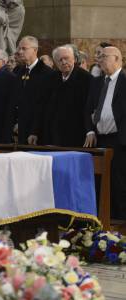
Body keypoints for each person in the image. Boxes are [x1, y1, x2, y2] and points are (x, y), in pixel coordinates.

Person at [84, 46, 126, 220]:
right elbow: (87, 109)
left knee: (119, 182)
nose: (99, 59)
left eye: (103, 56)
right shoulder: (96, 81)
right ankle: (103, 218)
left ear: (116, 58)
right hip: (99, 139)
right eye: (98, 56)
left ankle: (121, 221)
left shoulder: (124, 80)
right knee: (101, 181)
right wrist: (90, 130)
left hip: (120, 139)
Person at [43, 45, 92, 147]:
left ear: (74, 59)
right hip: (55, 134)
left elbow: (88, 108)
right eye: (60, 60)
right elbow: (44, 106)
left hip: (77, 134)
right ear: (55, 63)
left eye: (66, 58)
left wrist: (90, 131)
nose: (64, 62)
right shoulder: (51, 78)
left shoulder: (87, 79)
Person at [15, 36, 54, 145]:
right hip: (22, 130)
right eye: (19, 48)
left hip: (39, 133)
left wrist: (35, 131)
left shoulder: (47, 73)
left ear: (35, 50)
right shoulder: (20, 71)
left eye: (24, 48)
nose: (20, 52)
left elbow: (43, 105)